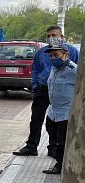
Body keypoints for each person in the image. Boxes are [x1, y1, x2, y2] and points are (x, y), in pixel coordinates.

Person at [13, 26, 79, 157]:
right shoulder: (42, 52)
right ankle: (31, 146)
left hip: (62, 92)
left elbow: (77, 72)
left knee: (56, 122)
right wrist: (34, 84)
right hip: (43, 89)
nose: (51, 38)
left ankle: (54, 148)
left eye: (54, 35)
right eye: (48, 36)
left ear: (61, 37)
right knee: (36, 119)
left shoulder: (72, 51)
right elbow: (35, 69)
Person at [41, 44, 78, 174]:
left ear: (66, 55)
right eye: (51, 55)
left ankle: (60, 165)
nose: (53, 58)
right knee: (51, 133)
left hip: (66, 112)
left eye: (56, 55)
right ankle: (61, 159)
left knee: (62, 140)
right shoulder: (54, 69)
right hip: (53, 111)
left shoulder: (73, 70)